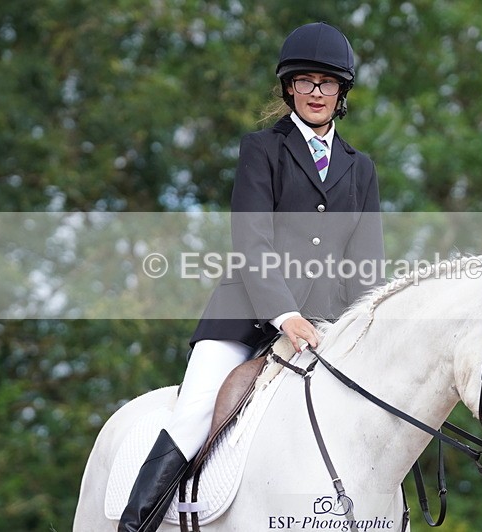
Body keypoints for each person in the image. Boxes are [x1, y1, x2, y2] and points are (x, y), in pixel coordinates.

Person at [119, 21, 385, 531]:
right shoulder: (262, 149)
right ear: (289, 87)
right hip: (244, 317)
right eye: (304, 81)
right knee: (195, 413)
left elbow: (366, 265)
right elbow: (252, 240)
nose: (315, 92)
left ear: (340, 91)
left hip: (325, 329)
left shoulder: (361, 168)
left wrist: (363, 332)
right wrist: (284, 314)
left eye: (326, 82)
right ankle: (134, 526)